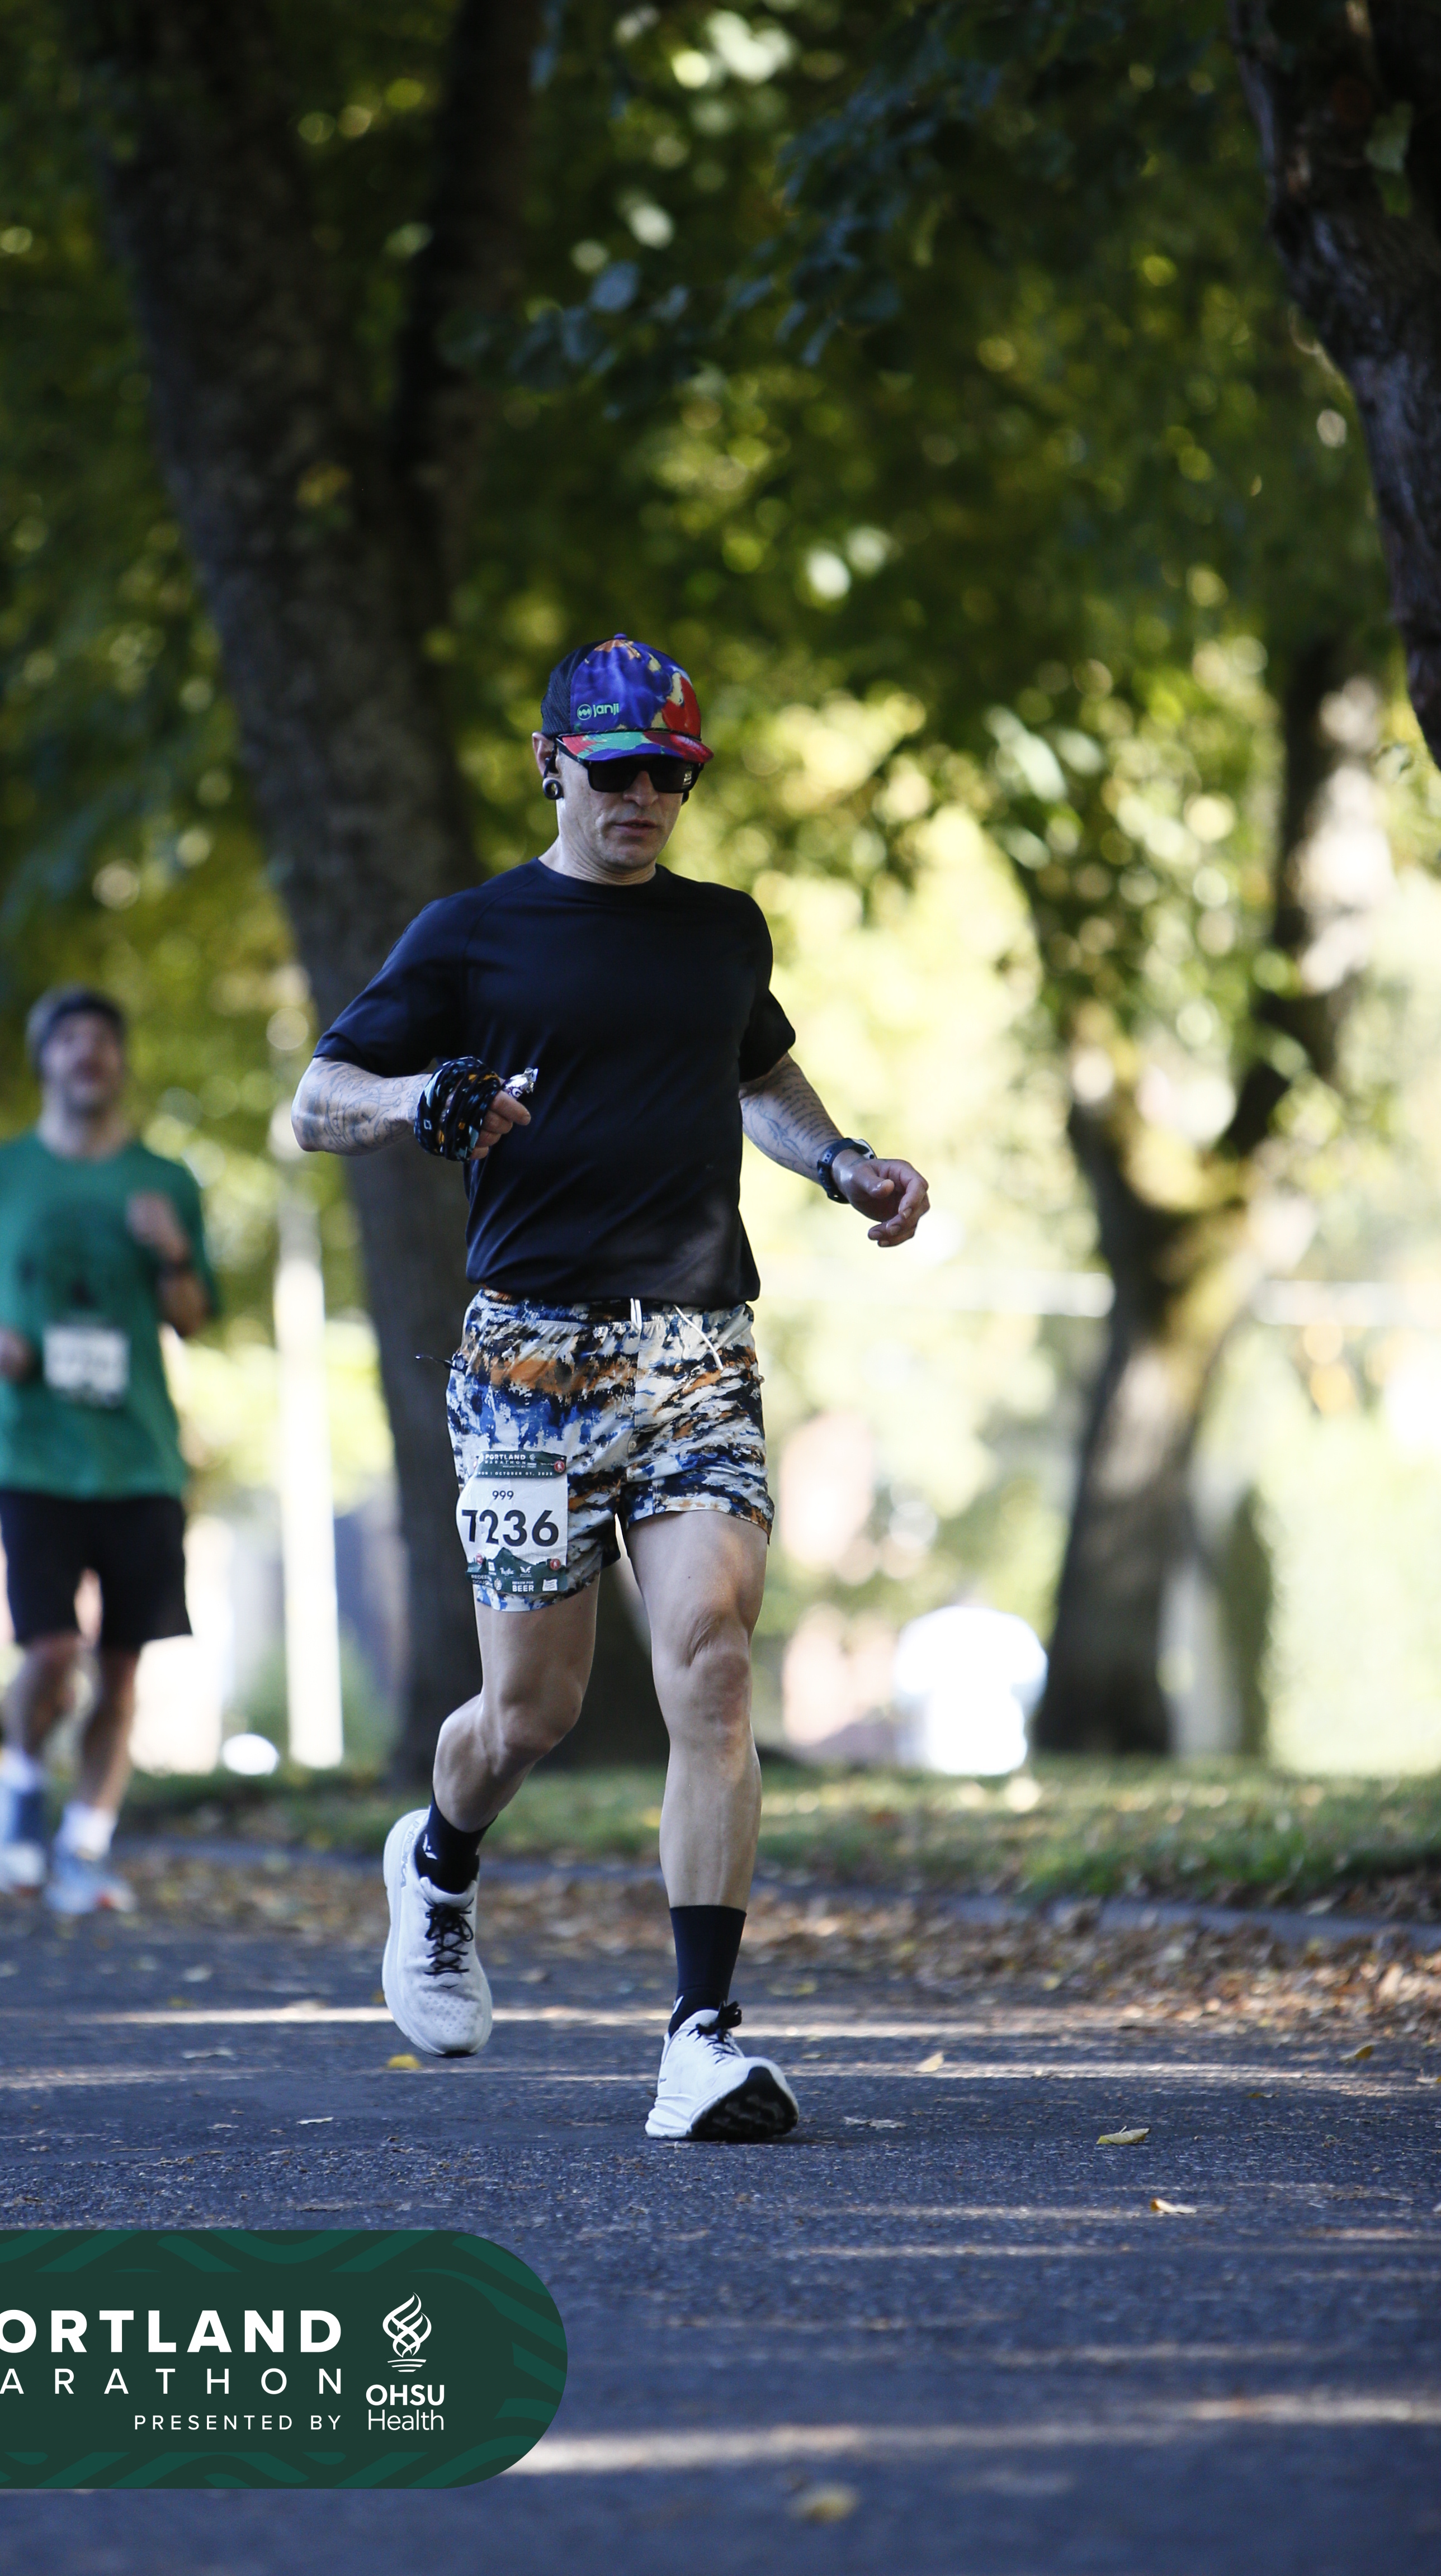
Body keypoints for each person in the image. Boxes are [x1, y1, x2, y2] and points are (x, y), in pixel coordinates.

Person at [294, 635, 929, 2141]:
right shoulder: (470, 935)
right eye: (618, 770)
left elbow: (757, 1077)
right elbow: (318, 1103)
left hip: (697, 1347)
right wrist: (425, 1098)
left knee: (712, 1660)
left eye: (671, 776)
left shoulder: (721, 932)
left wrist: (842, 1163)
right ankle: (438, 1861)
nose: (644, 797)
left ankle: (700, 2039)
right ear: (551, 766)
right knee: (533, 1711)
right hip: (530, 1360)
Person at [0, 986, 219, 1914]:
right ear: (45, 1060)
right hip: (33, 1453)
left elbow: (193, 1317)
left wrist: (172, 1253)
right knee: (52, 1652)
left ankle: (84, 1848)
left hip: (139, 1459)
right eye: (70, 1040)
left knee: (122, 1669)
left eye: (103, 1040)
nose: (88, 1053)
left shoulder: (165, 1180)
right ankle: (17, 1787)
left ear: (120, 1062)